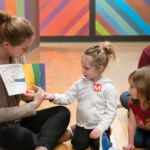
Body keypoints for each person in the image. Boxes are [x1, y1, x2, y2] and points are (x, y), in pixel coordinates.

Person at [0, 10, 71, 150]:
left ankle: (43, 146)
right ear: (6, 44)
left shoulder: (18, 56)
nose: (27, 51)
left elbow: (16, 90)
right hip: (3, 126)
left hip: (17, 120)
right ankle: (49, 137)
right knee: (21, 136)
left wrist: (27, 96)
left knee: (62, 112)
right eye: (24, 47)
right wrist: (32, 106)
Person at [45, 42, 123, 150]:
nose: (83, 71)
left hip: (98, 125)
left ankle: (106, 131)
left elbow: (111, 112)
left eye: (87, 68)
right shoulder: (80, 83)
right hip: (82, 125)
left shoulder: (108, 88)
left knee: (97, 146)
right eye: (82, 67)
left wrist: (100, 128)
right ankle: (76, 130)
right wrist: (53, 97)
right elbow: (68, 97)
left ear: (100, 68)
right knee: (78, 145)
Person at [123, 67, 150, 150]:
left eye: (132, 86)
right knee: (137, 142)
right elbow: (132, 124)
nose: (128, 89)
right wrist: (130, 144)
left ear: (143, 88)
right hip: (142, 129)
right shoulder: (133, 103)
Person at [120, 46, 150, 111]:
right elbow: (140, 79)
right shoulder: (147, 51)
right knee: (125, 96)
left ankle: (139, 110)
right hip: (147, 91)